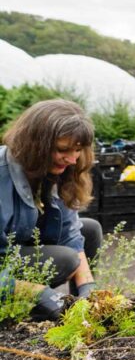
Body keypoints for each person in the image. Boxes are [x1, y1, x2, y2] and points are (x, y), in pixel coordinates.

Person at [0, 99, 103, 319]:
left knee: (89, 230)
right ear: (35, 145)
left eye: (77, 150)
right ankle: (23, 313)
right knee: (65, 259)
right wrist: (38, 294)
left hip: (17, 252)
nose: (73, 159)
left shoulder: (58, 172)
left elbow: (70, 233)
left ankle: (82, 311)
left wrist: (88, 287)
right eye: (62, 149)